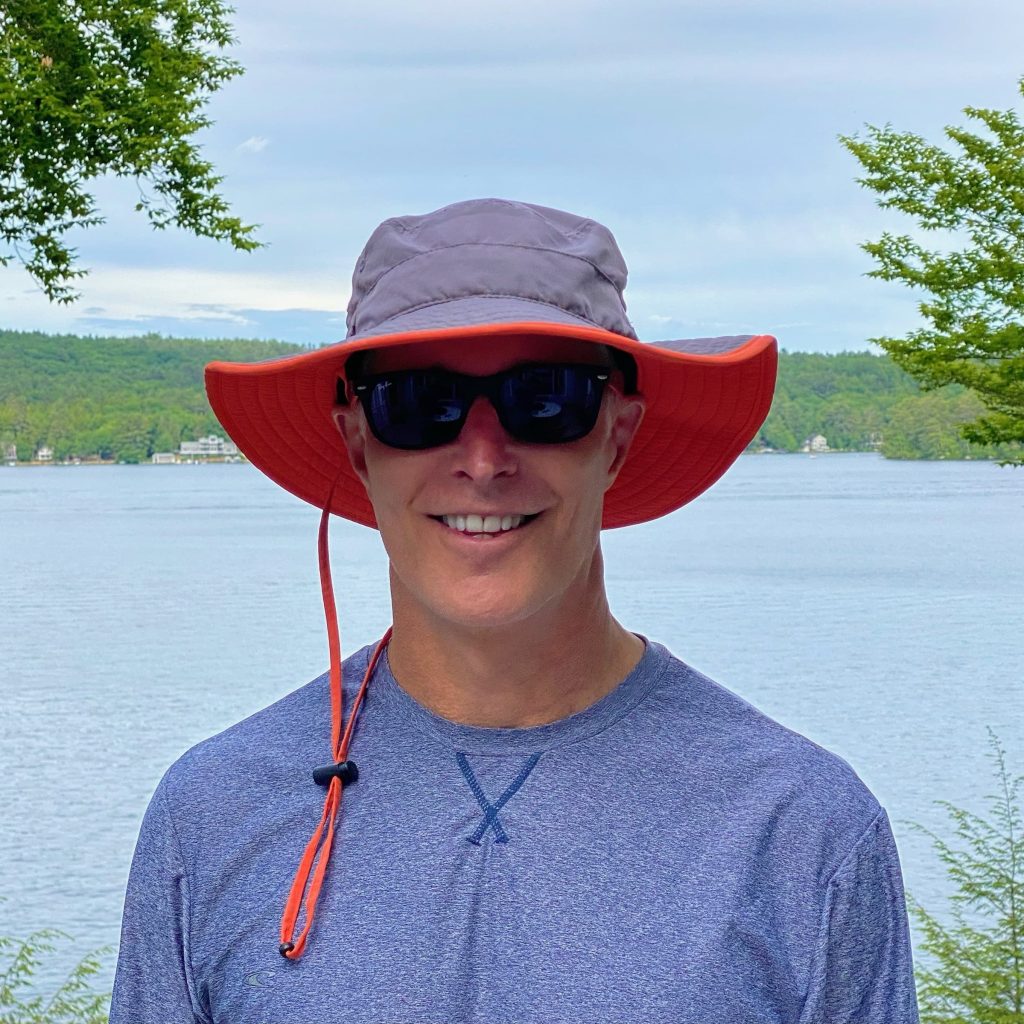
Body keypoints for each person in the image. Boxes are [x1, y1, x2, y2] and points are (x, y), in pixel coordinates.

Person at [110, 197, 920, 1023]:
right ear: (357, 441)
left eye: (546, 398)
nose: (485, 459)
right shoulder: (212, 813)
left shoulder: (799, 830)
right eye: (419, 402)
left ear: (617, 434)